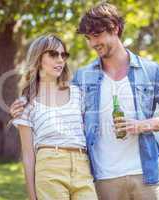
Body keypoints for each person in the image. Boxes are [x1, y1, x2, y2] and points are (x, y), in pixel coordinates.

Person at [11, 3, 159, 200]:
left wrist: (143, 125)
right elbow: (57, 105)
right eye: (88, 38)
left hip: (147, 175)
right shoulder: (83, 77)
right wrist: (22, 105)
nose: (92, 43)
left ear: (115, 28)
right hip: (103, 178)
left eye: (97, 35)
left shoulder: (151, 71)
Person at [11, 34, 97, 200]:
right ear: (38, 58)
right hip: (49, 167)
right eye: (53, 54)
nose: (60, 60)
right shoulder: (26, 103)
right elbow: (28, 155)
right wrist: (32, 195)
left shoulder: (78, 93)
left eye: (63, 55)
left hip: (82, 166)